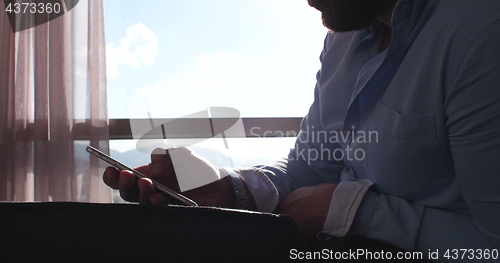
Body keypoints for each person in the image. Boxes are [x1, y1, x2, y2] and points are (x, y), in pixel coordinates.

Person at [104, 0, 500, 260]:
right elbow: (312, 168)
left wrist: (354, 212)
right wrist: (229, 188)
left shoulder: (480, 35)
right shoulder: (343, 41)